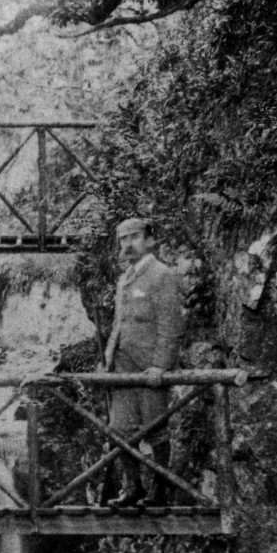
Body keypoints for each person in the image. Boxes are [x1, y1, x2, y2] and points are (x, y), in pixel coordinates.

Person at [103, 217, 185, 507]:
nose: (127, 244)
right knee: (119, 430)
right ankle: (132, 488)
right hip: (122, 368)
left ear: (150, 240)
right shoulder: (125, 278)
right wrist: (108, 359)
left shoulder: (162, 275)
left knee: (156, 430)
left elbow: (169, 324)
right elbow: (119, 323)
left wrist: (161, 366)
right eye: (123, 239)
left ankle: (160, 491)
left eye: (134, 237)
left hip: (148, 367)